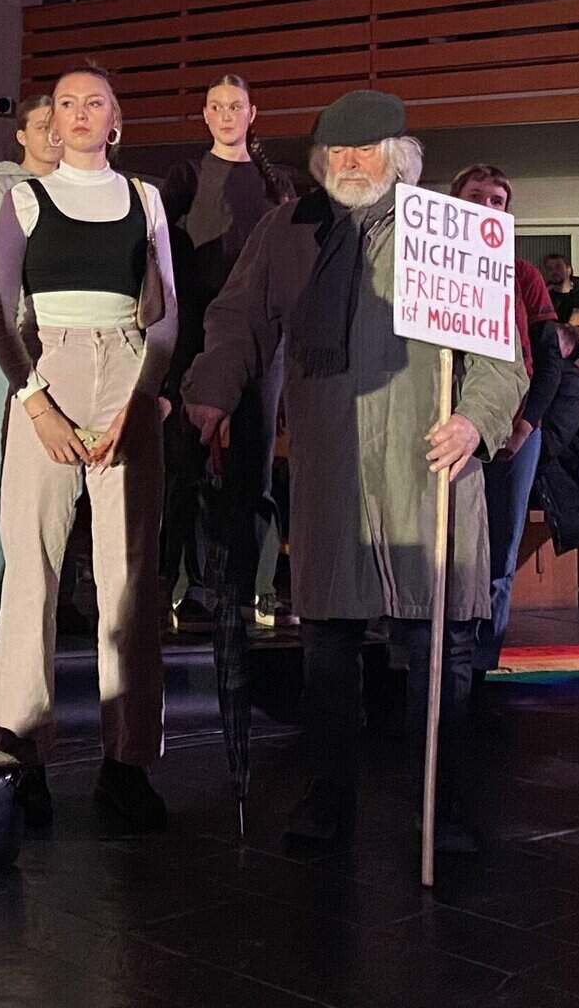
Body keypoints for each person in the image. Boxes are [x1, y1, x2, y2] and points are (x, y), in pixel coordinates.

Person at [182, 90, 526, 856]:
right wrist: (212, 387)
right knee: (328, 643)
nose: (348, 161)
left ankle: (442, 807)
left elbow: (501, 359)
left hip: (427, 464)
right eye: (335, 149)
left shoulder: (446, 230)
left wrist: (476, 420)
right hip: (334, 467)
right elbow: (238, 319)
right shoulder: (288, 230)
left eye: (364, 148)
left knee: (440, 644)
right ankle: (329, 801)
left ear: (398, 156)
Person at [0, 66, 177, 833]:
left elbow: (165, 313)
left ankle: (127, 764)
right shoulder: (25, 198)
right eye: (67, 103)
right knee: (31, 571)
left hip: (127, 372)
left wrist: (141, 397)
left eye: (95, 101)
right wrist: (36, 405)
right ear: (51, 122)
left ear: (115, 119)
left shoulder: (146, 199)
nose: (80, 112)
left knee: (130, 581)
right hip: (47, 369)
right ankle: (19, 757)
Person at [160, 77, 295, 631]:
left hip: (262, 337)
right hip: (195, 333)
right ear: (205, 114)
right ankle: (181, 586)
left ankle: (253, 586)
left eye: (234, 106)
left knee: (254, 466)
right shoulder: (185, 177)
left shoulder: (276, 182)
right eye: (215, 106)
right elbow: (159, 251)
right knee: (185, 464)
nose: (225, 114)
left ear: (251, 113)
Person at [448, 165, 563, 677]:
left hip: (514, 427)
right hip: (449, 424)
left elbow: (549, 358)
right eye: (477, 196)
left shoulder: (523, 274)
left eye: (497, 199)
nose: (487, 206)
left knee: (499, 546)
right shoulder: (433, 266)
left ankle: (482, 662)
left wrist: (525, 425)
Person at [0, 95, 57, 627]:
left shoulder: (73, 187)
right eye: (42, 126)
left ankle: (43, 584)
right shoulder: (2, 188)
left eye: (57, 126)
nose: (53, 135)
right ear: (21, 135)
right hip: (11, 336)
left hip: (62, 340)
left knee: (52, 467)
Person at [542, 253, 579, 322]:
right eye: (549, 269)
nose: (554, 272)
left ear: (568, 270)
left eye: (558, 267)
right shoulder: (544, 299)